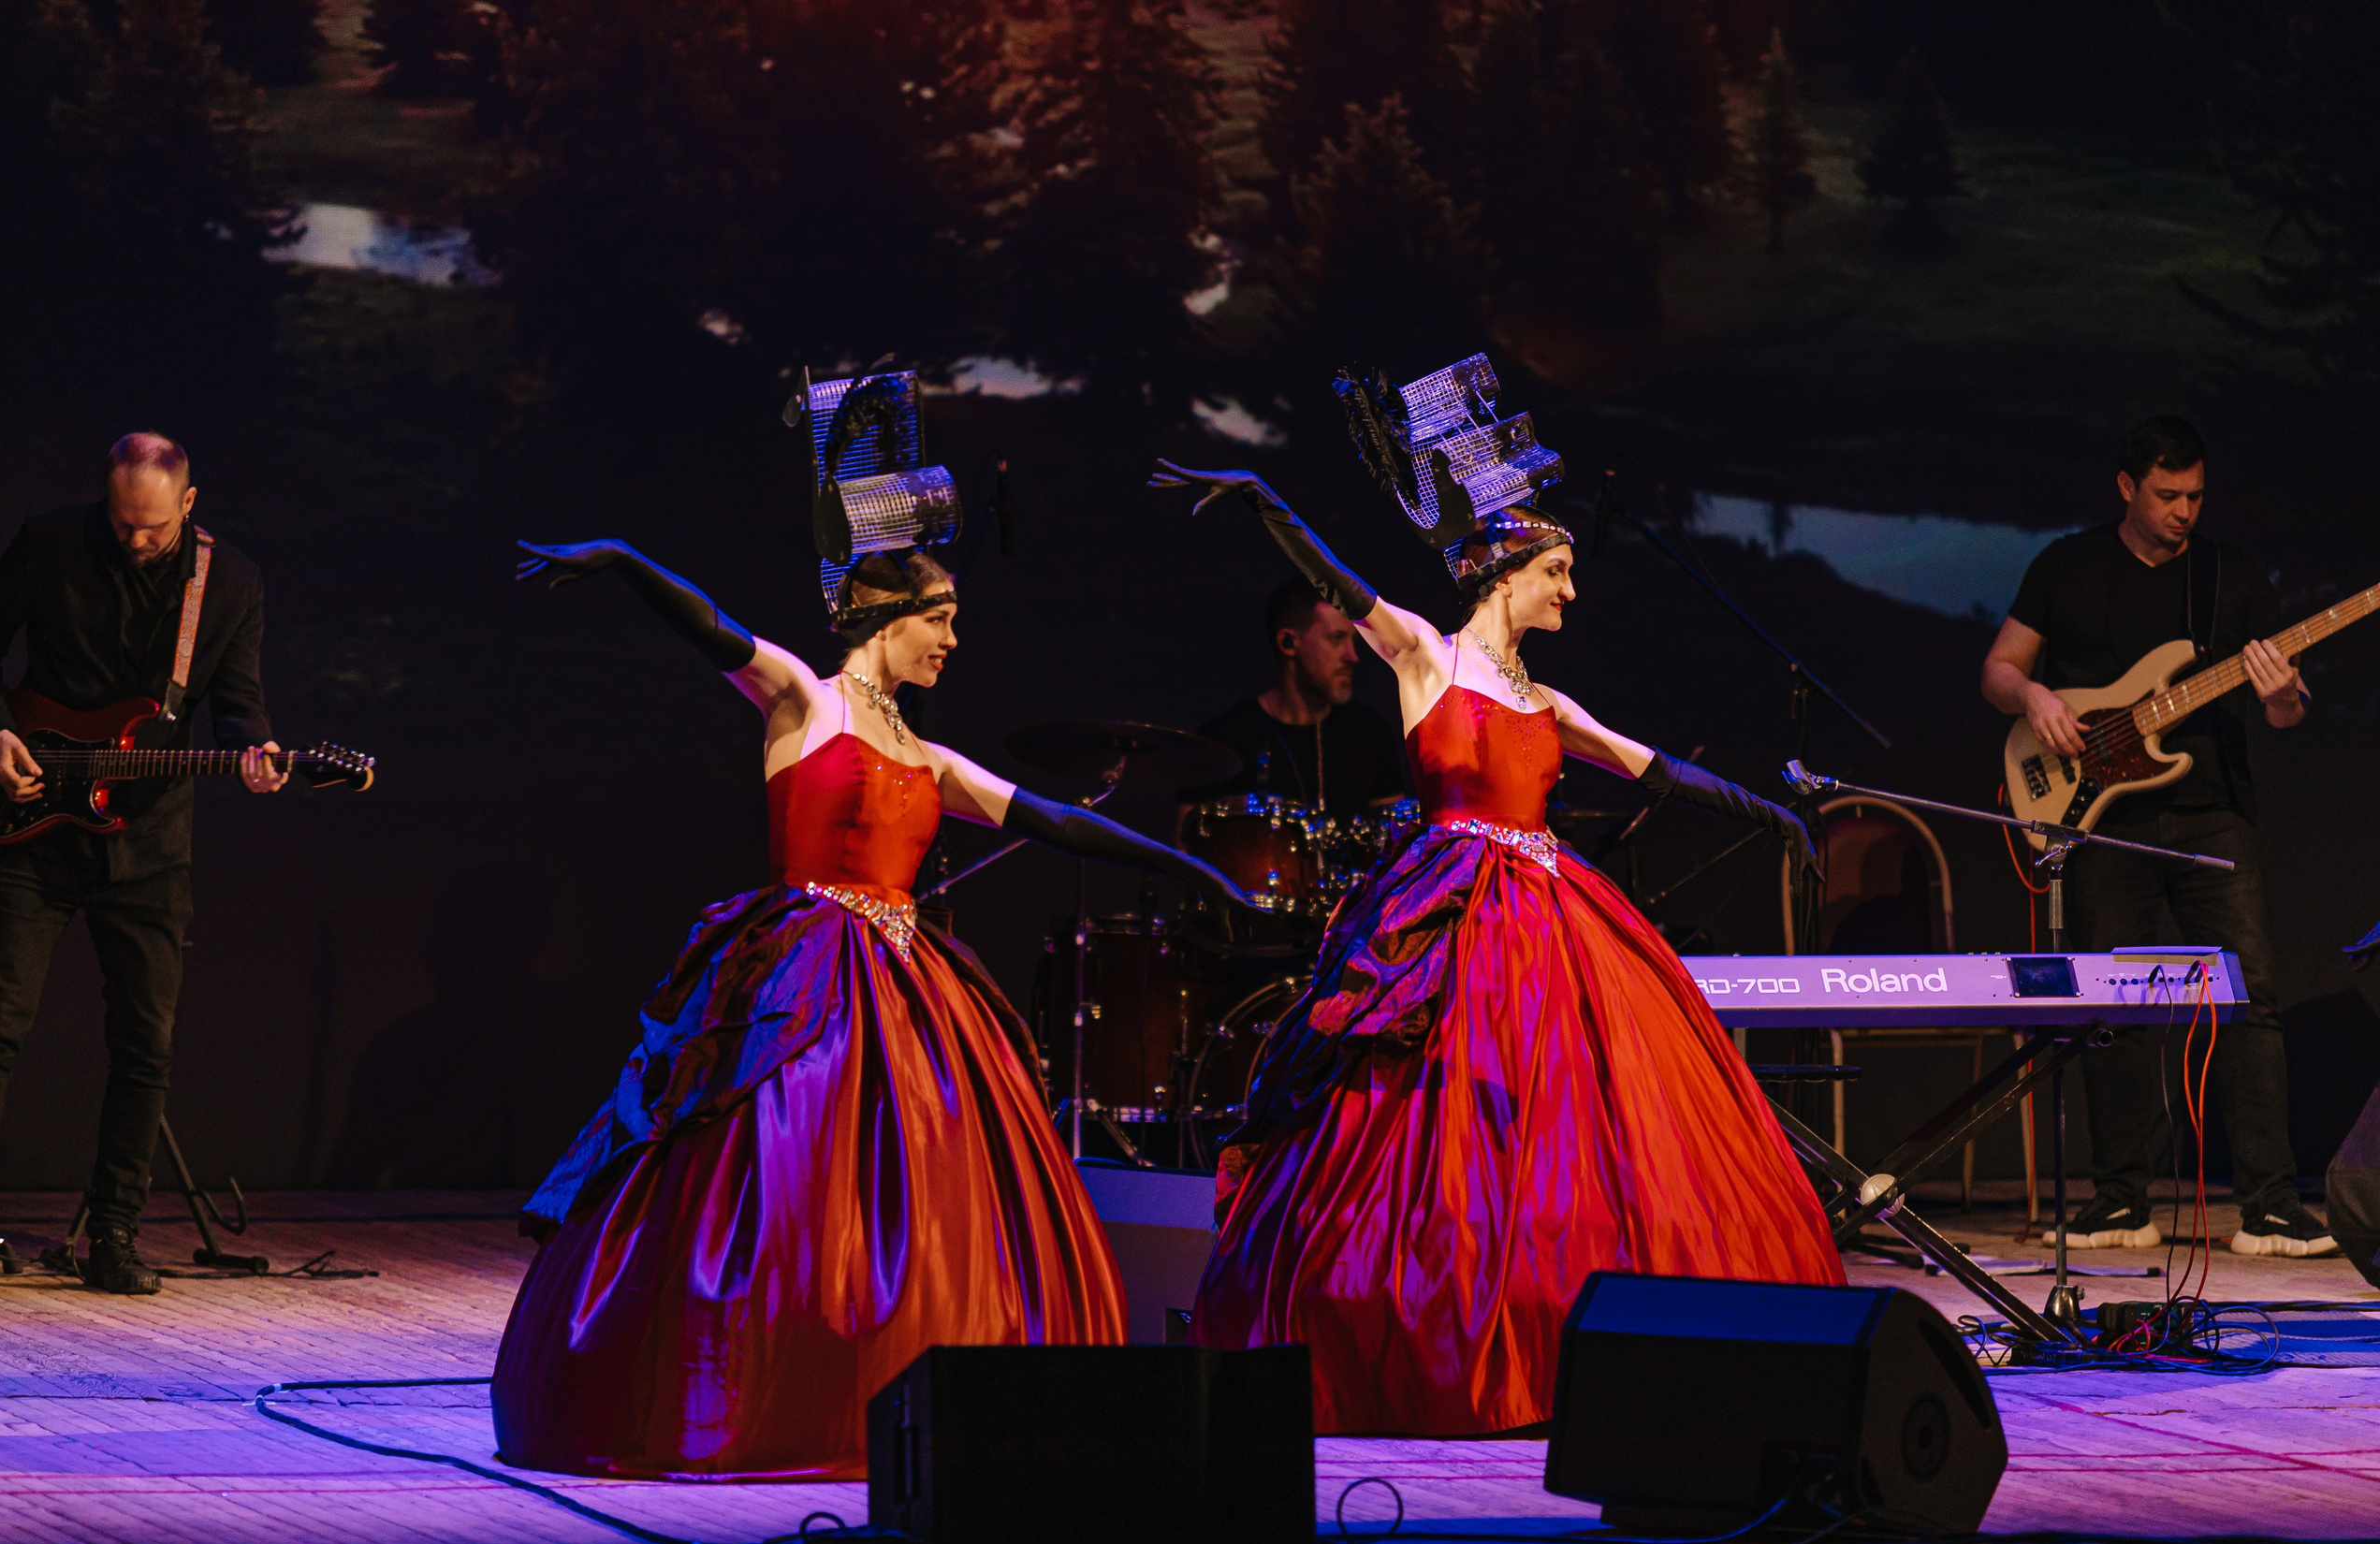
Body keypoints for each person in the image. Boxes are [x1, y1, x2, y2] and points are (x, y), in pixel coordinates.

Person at [493, 371, 1254, 1480]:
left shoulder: (925, 757)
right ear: (884, 619)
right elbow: (711, 629)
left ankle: (945, 1391)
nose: (953, 641)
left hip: (903, 982)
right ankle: (766, 1386)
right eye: (940, 621)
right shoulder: (805, 702)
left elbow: (1050, 821)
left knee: (943, 1181)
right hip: (798, 983)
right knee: (776, 1171)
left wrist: (1189, 865)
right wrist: (619, 559)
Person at [1148, 357, 1845, 1437]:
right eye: (1558, 571)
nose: (1572, 591)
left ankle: (1581, 1319)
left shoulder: (1547, 697)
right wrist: (1268, 503)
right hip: (1447, 917)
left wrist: (1776, 815)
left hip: (1552, 911)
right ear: (1508, 572)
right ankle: (1443, 1319)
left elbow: (1654, 769)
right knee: (1437, 1117)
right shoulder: (1429, 660)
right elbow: (1339, 587)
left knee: (1580, 1122)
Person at [1982, 415, 2331, 1258]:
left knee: (2252, 997)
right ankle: (2119, 1200)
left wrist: (2284, 694)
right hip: (2105, 819)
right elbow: (1999, 670)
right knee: (2111, 1008)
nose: (2184, 511)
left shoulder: (2229, 577)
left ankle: (2269, 1206)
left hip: (2214, 812)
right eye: (2168, 495)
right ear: (2127, 488)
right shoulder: (2065, 565)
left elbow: (2284, 712)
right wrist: (2036, 700)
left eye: (2197, 495)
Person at [0, 434, 285, 1293]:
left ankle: (114, 1231)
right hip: (30, 826)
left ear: (189, 506)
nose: (136, 541)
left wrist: (256, 752)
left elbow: (238, 703)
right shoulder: (49, 543)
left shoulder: (228, 583)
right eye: (121, 524)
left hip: (148, 847)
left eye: (152, 528)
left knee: (144, 1046)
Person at [1177, 574, 1403, 823]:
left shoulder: (1369, 733)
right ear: (1288, 642)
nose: (1353, 656)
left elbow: (1397, 842)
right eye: (1336, 639)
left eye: (1353, 641)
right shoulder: (1226, 738)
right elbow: (1186, 849)